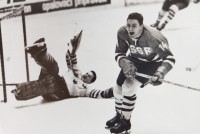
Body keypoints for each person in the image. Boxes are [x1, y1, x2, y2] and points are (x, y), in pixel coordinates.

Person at [106, 12, 175, 134]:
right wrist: (124, 63)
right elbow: (119, 53)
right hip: (133, 60)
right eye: (128, 25)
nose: (130, 28)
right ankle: (119, 115)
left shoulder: (154, 37)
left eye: (134, 25)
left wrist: (160, 73)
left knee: (128, 87)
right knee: (117, 89)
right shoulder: (122, 32)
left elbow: (170, 58)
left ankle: (125, 123)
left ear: (141, 26)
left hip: (151, 64)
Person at [11, 30, 113, 101]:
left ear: (90, 81)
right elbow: (70, 59)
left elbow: (98, 93)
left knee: (51, 82)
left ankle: (20, 92)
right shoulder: (77, 72)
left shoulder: (86, 88)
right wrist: (71, 48)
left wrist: (110, 92)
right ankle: (38, 52)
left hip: (59, 92)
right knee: (54, 67)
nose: (86, 75)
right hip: (56, 79)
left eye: (89, 76)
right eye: (87, 73)